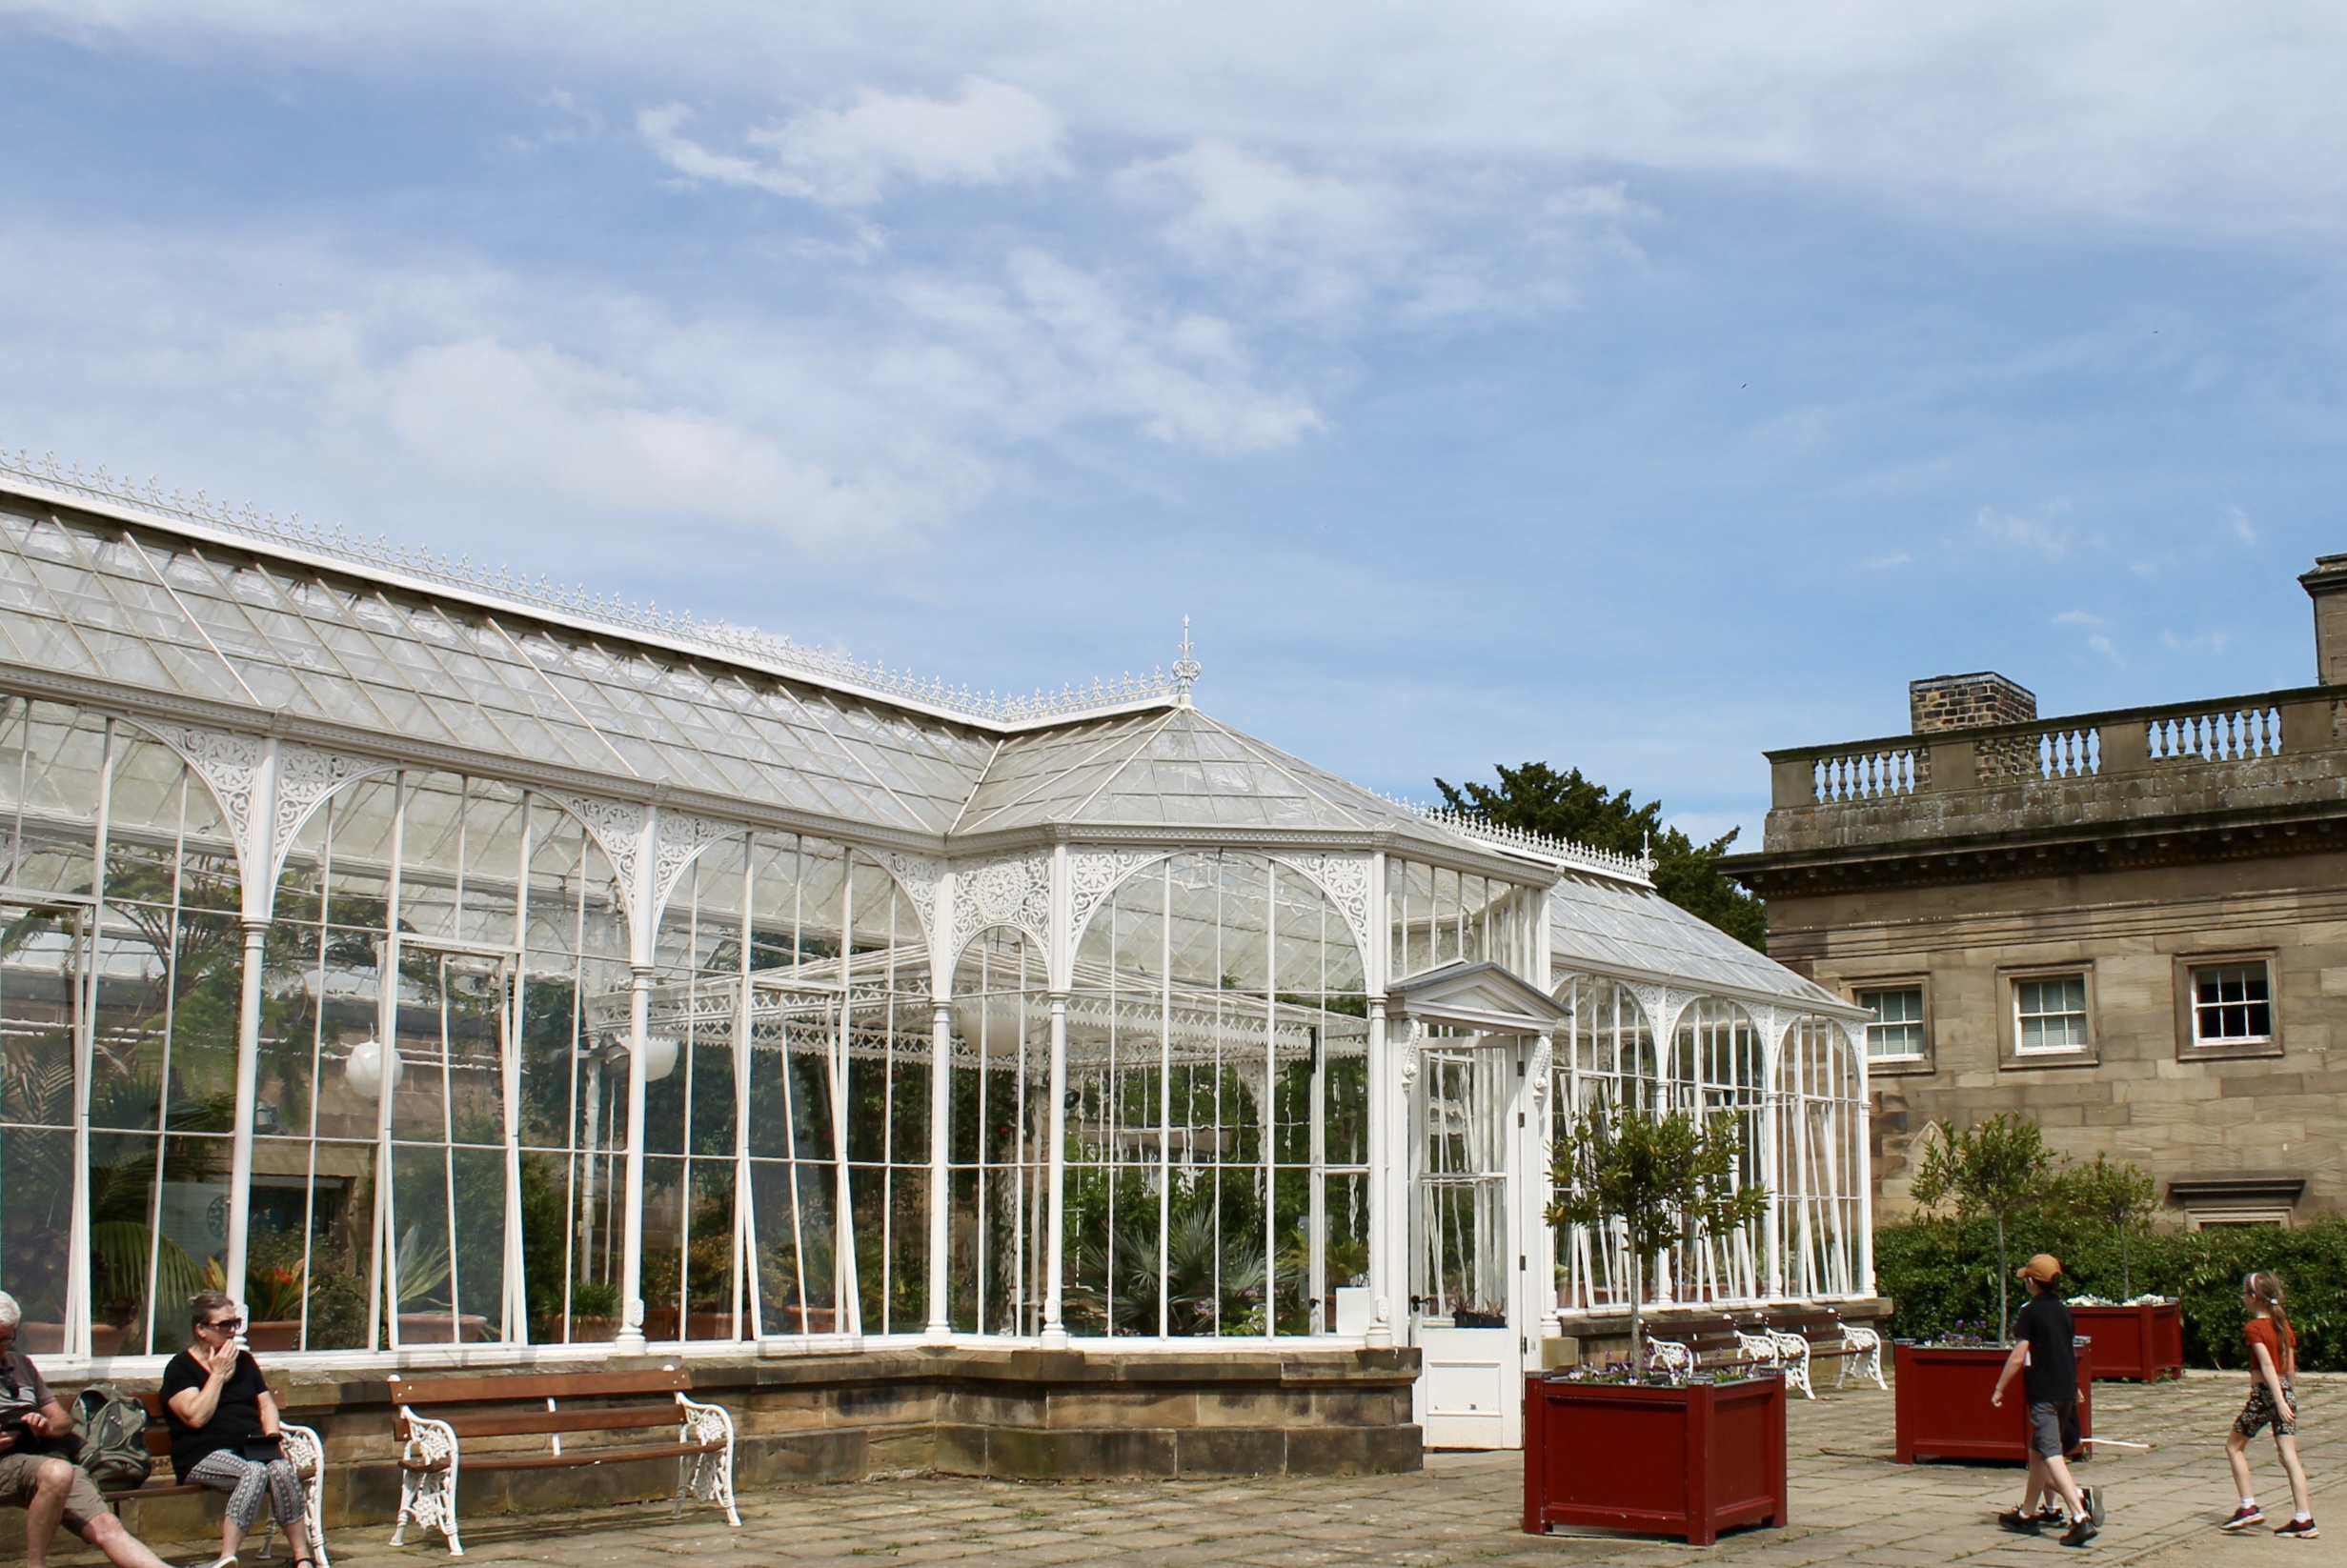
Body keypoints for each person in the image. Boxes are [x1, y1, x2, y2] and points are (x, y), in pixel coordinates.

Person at [0, 1291, 175, 1568]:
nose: (2, 1348)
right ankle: (36, 1565)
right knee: (58, 1472)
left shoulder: (21, 1365)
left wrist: (44, 1426)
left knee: (106, 1524)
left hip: (42, 1460)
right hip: (13, 1465)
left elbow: (63, 1422)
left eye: (7, 1339)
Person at [160, 1292, 314, 1568]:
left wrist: (271, 1441)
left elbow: (266, 1406)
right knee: (253, 1471)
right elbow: (196, 1417)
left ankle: (302, 1557)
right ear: (201, 1330)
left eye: (236, 1323)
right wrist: (217, 1374)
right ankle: (226, 1558)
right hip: (201, 1453)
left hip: (249, 1447)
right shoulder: (180, 1368)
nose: (232, 1331)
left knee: (280, 1469)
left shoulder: (244, 1362)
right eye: (224, 1325)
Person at [1992, 1254, 2098, 1548]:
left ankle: (2079, 1516)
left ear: (2031, 1282)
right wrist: (2076, 1385)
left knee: (2051, 1453)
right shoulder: (2064, 1310)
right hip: (2065, 1389)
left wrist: (2000, 1387)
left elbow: (2018, 1354)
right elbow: (2067, 1350)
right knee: (2037, 1451)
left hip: (2044, 1393)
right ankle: (2028, 1513)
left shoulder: (2030, 1312)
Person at [2221, 1271, 2317, 1538]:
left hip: (2266, 1395)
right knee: (2289, 1455)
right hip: (2286, 1394)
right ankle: (2304, 1518)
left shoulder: (2254, 1328)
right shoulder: (2283, 1325)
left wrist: (2275, 1399)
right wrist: (2288, 1397)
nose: (2243, 1299)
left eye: (2244, 1294)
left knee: (2233, 1447)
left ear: (2254, 1298)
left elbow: (2267, 1366)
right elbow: (2289, 1366)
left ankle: (2247, 1505)